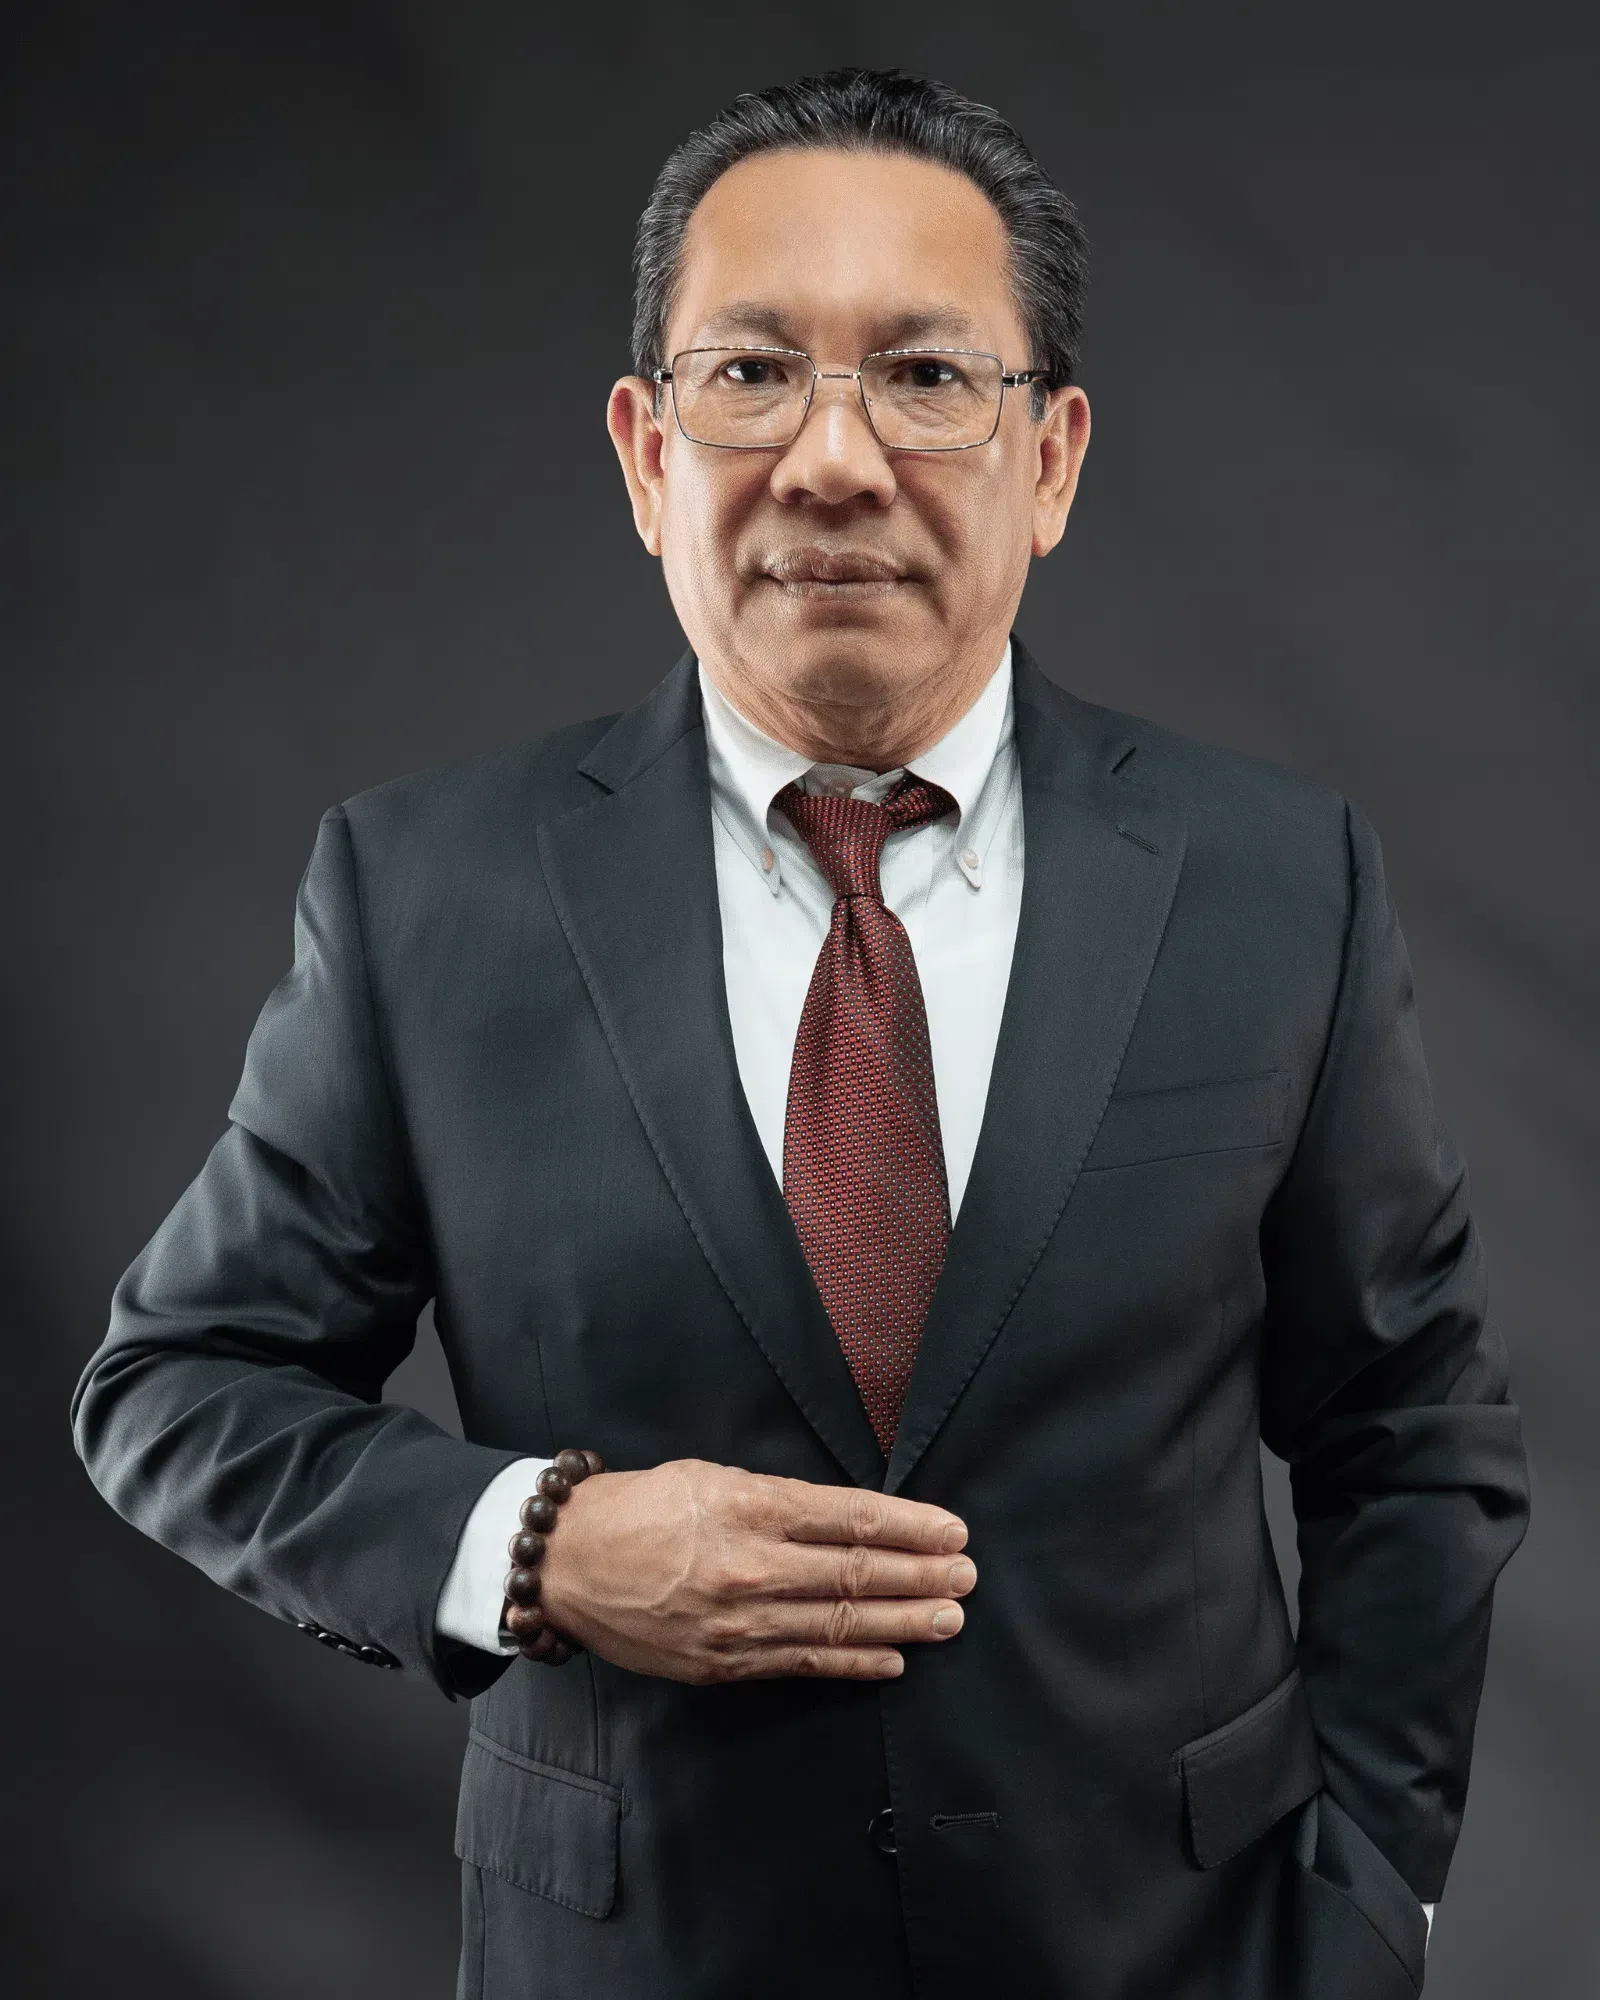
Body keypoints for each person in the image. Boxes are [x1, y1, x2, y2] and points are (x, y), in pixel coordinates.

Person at [73, 67, 1528, 1999]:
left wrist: (1368, 1912)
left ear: (1054, 460)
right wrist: (537, 1546)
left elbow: (1412, 1430)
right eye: (753, 374)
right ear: (645, 455)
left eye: (925, 376)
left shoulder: (1278, 882)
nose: (835, 460)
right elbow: (179, 1385)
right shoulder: (429, 896)